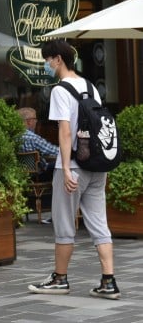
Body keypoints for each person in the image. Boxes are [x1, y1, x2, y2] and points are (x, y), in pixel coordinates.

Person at [28, 40, 119, 299]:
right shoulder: (91, 87)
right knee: (99, 223)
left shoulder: (60, 90)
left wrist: (66, 168)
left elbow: (65, 131)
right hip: (97, 166)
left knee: (65, 224)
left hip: (73, 167)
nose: (46, 64)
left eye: (47, 60)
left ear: (58, 59)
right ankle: (108, 281)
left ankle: (60, 278)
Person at [18, 107, 59, 177]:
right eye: (35, 119)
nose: (36, 121)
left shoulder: (12, 136)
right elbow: (54, 151)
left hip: (21, 176)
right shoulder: (33, 138)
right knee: (63, 164)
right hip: (38, 175)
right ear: (29, 121)